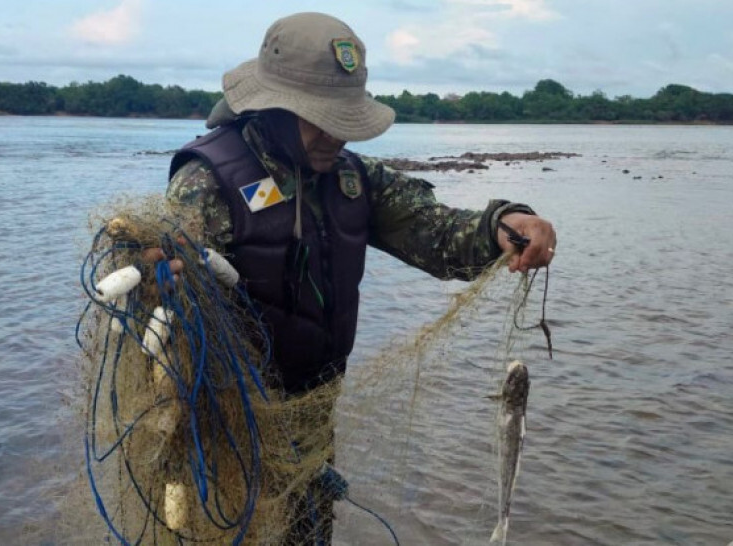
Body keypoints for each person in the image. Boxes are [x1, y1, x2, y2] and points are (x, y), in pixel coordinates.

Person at [164, 11, 556, 543]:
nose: (334, 133)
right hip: (231, 425)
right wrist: (161, 275)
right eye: (317, 117)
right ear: (273, 108)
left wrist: (503, 226)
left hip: (313, 417)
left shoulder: (353, 177)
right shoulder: (206, 181)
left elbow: (438, 236)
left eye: (343, 118)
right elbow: (170, 296)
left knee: (307, 531)